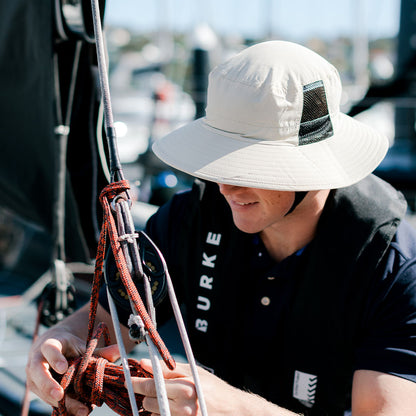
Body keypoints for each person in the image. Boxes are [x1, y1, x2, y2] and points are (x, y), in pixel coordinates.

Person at [26, 40, 416, 416]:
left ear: (312, 166)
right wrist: (66, 339)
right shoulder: (190, 218)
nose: (225, 186)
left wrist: (233, 409)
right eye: (220, 162)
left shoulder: (394, 268)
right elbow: (119, 317)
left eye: (251, 166)